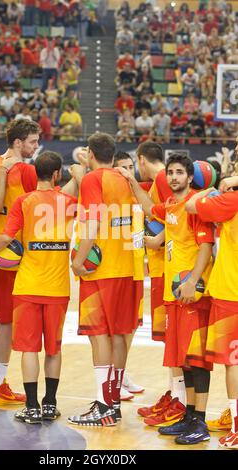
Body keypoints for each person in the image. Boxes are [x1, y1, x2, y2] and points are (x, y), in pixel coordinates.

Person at [0, 119, 81, 405]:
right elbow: (54, 198)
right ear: (18, 143)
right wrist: (79, 178)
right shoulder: (26, 171)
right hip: (10, 256)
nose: (35, 146)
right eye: (32, 141)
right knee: (6, 322)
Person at [122, 153, 214, 444]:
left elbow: (205, 246)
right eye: (171, 172)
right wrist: (131, 182)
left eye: (179, 173)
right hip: (174, 294)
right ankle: (189, 415)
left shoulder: (196, 205)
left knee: (197, 360)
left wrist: (191, 281)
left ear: (189, 177)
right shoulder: (173, 204)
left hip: (192, 292)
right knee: (184, 359)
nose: (174, 177)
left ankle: (200, 421)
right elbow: (151, 209)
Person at [0, 151, 78, 424]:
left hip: (27, 285)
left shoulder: (24, 202)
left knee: (28, 349)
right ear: (58, 174)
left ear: (36, 173)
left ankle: (32, 406)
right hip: (59, 289)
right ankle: (50, 404)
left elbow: (4, 237)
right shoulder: (69, 202)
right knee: (53, 349)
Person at [68, 133, 145, 426]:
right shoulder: (125, 178)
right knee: (118, 336)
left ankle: (103, 407)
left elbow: (94, 221)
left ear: (89, 153)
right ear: (113, 154)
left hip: (101, 270)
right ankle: (112, 404)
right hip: (129, 268)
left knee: (98, 334)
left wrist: (77, 261)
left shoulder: (92, 179)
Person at [134, 142, 187, 419]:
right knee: (169, 339)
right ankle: (174, 392)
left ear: (141, 159)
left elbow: (175, 217)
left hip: (168, 270)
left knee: (174, 339)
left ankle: (180, 397)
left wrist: (154, 239)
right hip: (162, 269)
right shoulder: (158, 182)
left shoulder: (164, 180)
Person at [185, 174, 238, 449]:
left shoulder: (232, 201)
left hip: (232, 292)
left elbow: (192, 205)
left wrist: (212, 188)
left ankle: (237, 426)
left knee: (234, 362)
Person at [113, 151, 145, 400]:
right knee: (118, 329)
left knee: (132, 327)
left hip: (136, 269)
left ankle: (121, 372)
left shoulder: (139, 193)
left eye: (130, 166)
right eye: (122, 167)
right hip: (118, 269)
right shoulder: (110, 195)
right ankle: (114, 376)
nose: (127, 171)